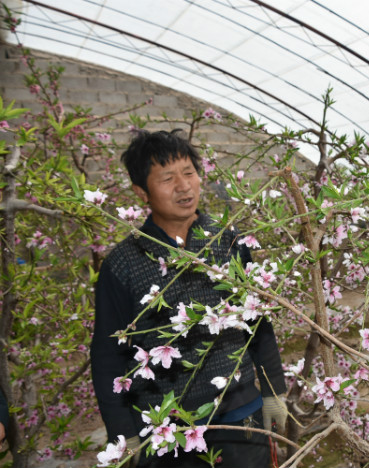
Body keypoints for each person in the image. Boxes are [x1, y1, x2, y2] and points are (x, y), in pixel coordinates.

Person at [91, 129, 287, 467]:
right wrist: (124, 433)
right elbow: (108, 354)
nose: (184, 186)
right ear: (142, 192)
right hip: (166, 428)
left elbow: (256, 320)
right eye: (167, 178)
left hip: (240, 413)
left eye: (189, 173)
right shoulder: (123, 263)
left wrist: (273, 390)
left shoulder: (227, 241)